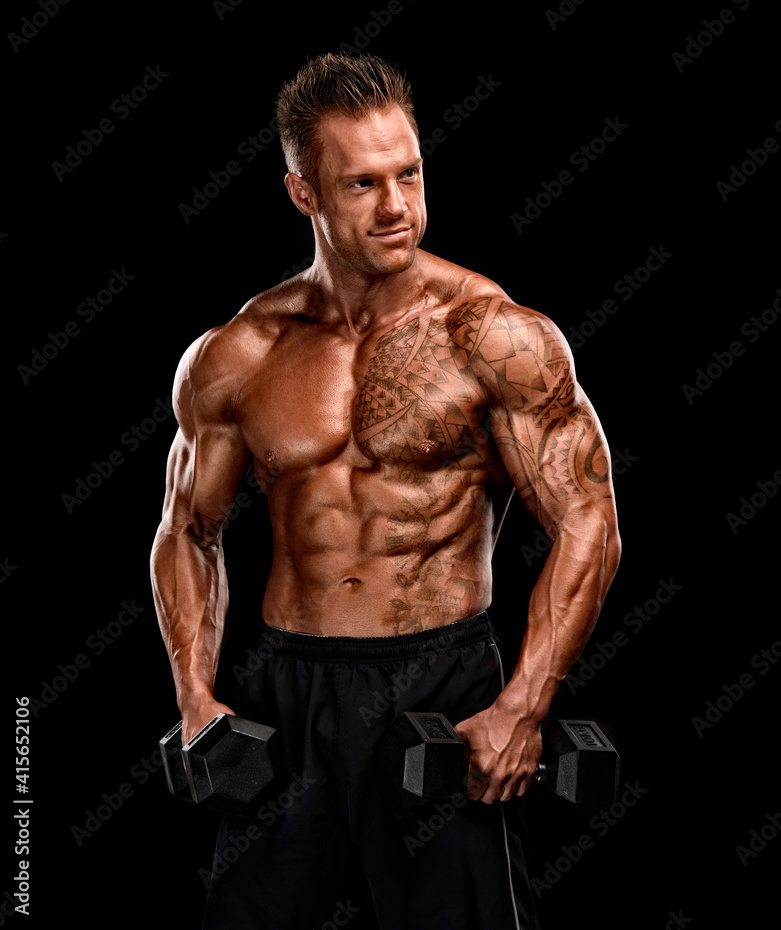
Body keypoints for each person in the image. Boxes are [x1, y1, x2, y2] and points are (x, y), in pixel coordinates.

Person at [151, 52, 621, 929]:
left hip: (444, 685)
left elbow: (590, 518)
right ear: (304, 194)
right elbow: (187, 530)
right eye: (362, 184)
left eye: (408, 172)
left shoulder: (493, 334)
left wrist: (523, 705)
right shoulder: (240, 352)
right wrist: (196, 697)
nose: (398, 205)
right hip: (288, 688)